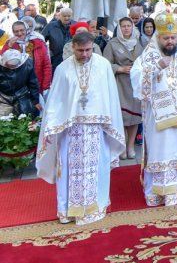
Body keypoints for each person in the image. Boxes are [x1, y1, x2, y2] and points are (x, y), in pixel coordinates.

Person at [35, 30, 123, 224]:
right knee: (68, 170)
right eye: (81, 50)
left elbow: (110, 97)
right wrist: (50, 126)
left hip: (96, 129)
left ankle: (95, 207)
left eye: (88, 50)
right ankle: (68, 210)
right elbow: (55, 101)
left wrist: (111, 124)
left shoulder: (103, 65)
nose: (85, 54)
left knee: (95, 168)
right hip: (70, 130)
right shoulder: (63, 69)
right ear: (73, 47)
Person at [131, 13, 177, 207]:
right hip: (158, 115)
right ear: (158, 37)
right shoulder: (150, 55)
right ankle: (156, 193)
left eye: (173, 37)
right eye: (166, 38)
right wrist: (156, 67)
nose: (170, 41)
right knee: (159, 150)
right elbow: (136, 78)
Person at [101, 16, 147, 159]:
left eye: (129, 26)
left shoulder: (139, 43)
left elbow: (145, 61)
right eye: (123, 26)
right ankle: (121, 146)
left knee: (134, 117)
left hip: (135, 85)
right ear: (119, 28)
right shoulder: (112, 44)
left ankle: (131, 146)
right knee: (121, 117)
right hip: (120, 84)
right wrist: (120, 68)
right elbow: (105, 63)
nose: (126, 28)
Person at [3, 18, 53, 94]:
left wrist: (45, 86)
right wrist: (9, 46)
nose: (19, 33)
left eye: (22, 30)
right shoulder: (10, 43)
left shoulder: (38, 42)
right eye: (16, 31)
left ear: (26, 30)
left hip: (35, 82)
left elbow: (46, 65)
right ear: (13, 32)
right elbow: (2, 61)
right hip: (16, 85)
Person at [0, 48, 40, 120]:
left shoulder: (28, 63)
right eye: (10, 66)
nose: (12, 68)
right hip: (3, 96)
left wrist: (36, 101)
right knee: (2, 119)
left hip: (21, 94)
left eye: (14, 66)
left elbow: (33, 83)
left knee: (25, 118)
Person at [44, 5, 73, 70]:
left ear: (72, 16)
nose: (67, 18)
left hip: (72, 58)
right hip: (55, 59)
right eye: (64, 16)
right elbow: (42, 39)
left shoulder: (75, 25)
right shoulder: (51, 26)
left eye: (69, 16)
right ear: (60, 16)